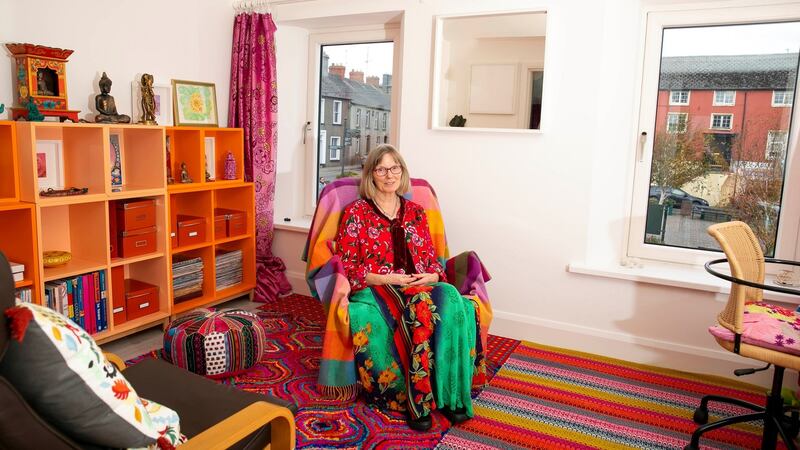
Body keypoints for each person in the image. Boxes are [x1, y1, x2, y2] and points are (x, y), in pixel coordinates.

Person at [334, 144, 482, 431]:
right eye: (381, 169)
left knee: (453, 298)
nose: (389, 175)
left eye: (395, 168)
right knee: (421, 310)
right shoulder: (356, 213)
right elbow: (349, 268)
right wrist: (388, 279)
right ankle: (419, 402)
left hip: (418, 284)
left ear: (402, 172)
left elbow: (432, 260)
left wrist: (433, 277)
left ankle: (452, 397)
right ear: (371, 175)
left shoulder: (416, 212)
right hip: (379, 288)